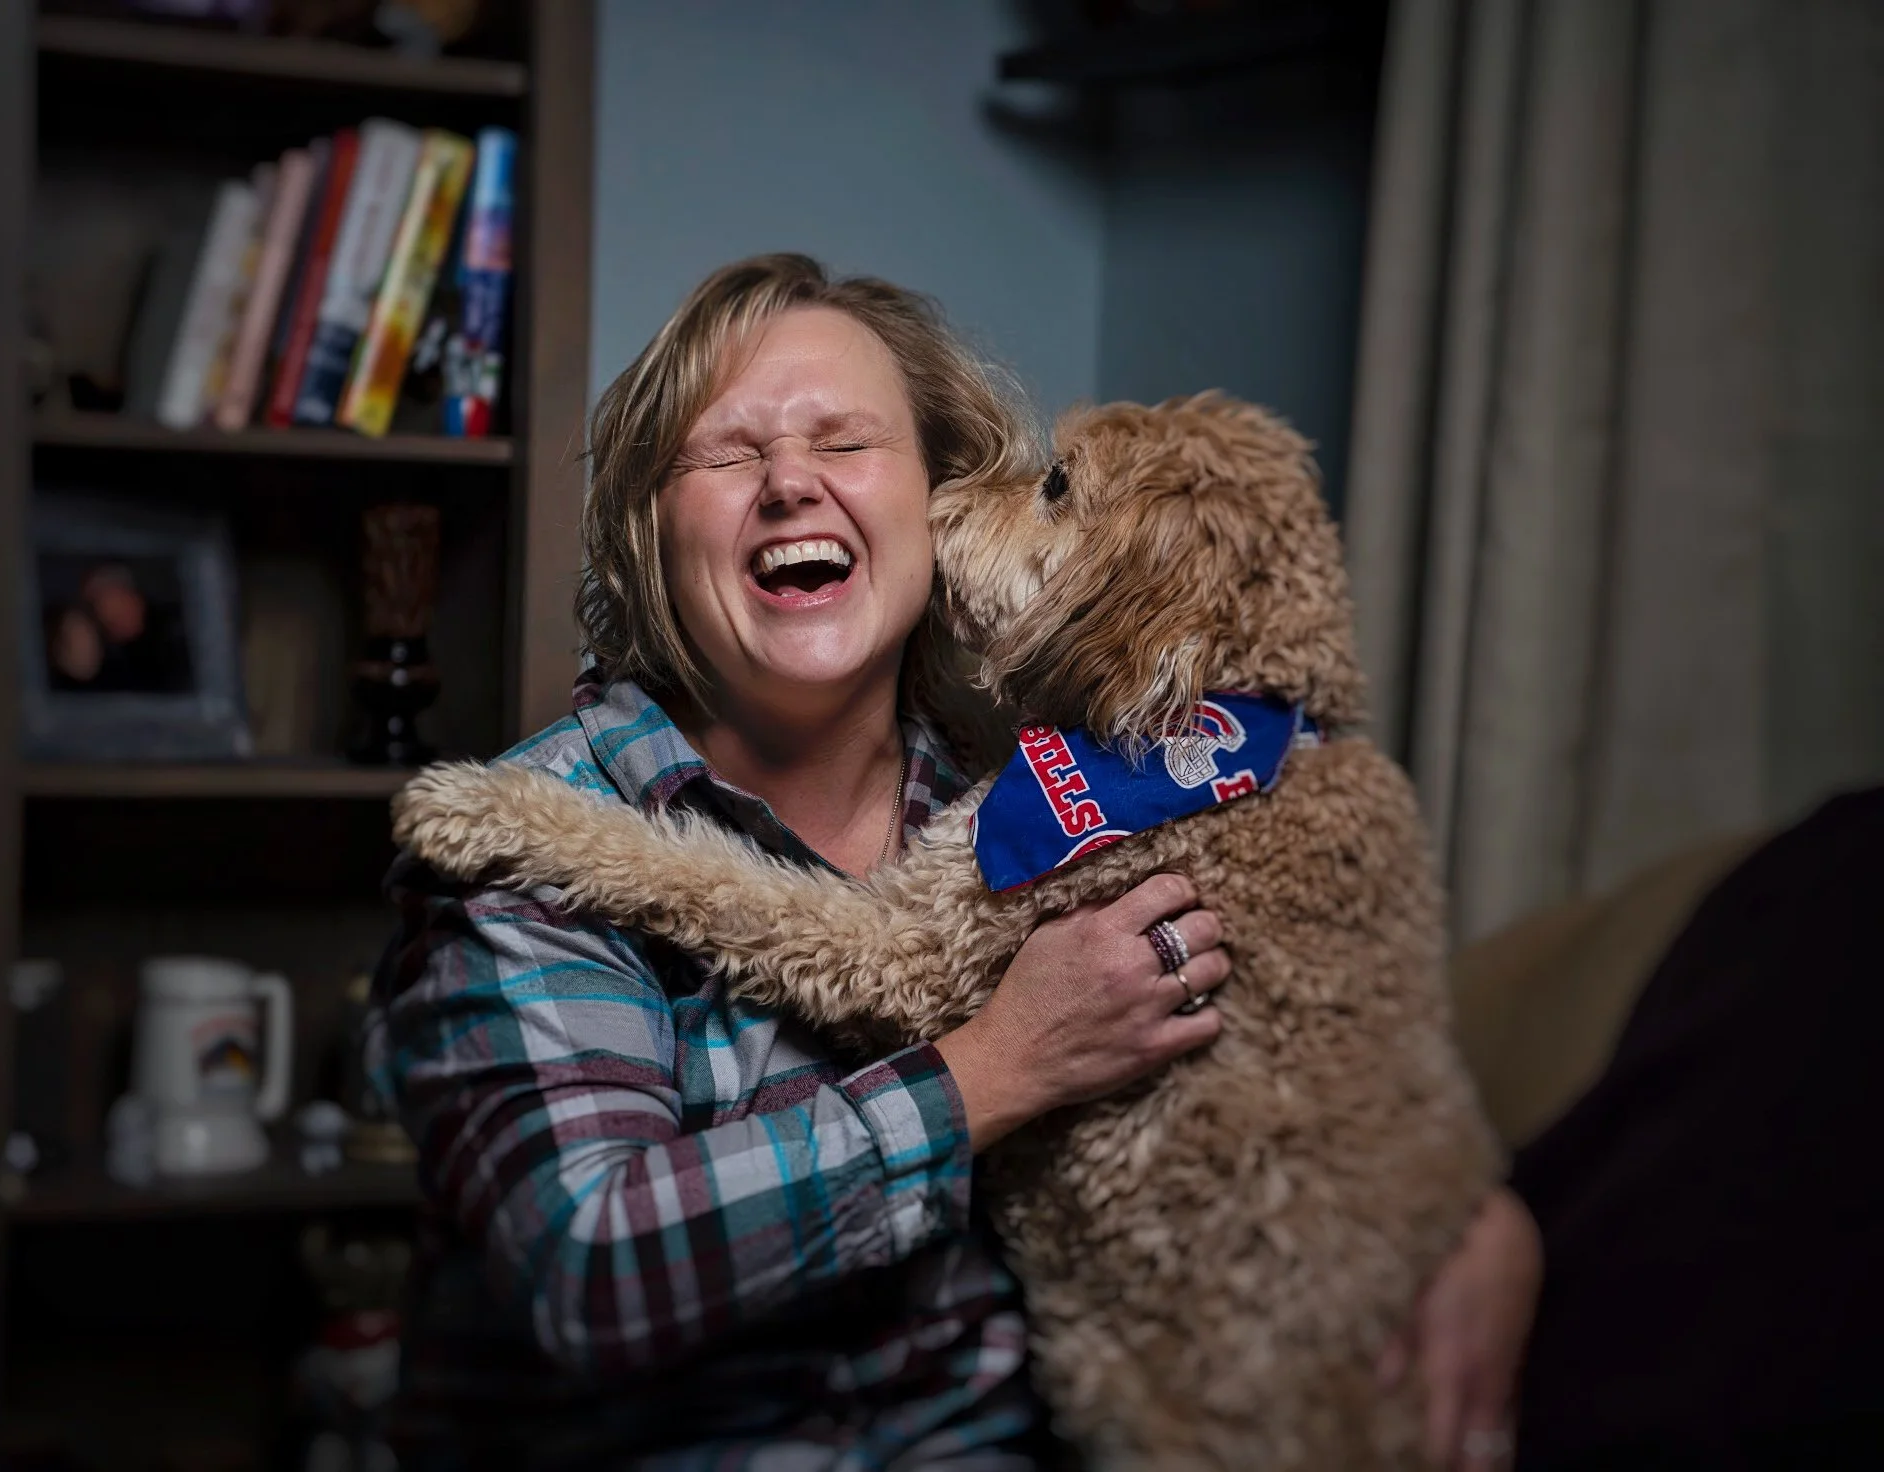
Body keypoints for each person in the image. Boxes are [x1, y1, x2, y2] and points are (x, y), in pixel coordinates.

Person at [368, 253, 1539, 1469]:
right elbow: (595, 1267)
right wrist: (999, 1065)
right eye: (723, 454)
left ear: (938, 497)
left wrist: (1481, 1215)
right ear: (645, 529)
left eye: (847, 442)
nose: (788, 485)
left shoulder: (1052, 791)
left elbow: (1339, 1045)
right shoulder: (518, 832)